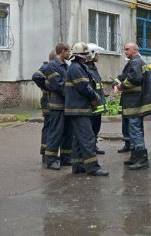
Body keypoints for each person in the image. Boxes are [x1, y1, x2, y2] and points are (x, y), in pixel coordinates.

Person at [65, 42, 109, 176]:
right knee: (88, 138)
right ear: (81, 56)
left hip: (78, 108)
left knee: (79, 138)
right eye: (86, 55)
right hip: (80, 109)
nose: (87, 57)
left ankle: (78, 165)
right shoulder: (77, 68)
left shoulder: (77, 66)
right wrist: (95, 97)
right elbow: (84, 87)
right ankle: (92, 167)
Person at [113, 42, 151, 170]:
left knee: (135, 131)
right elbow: (124, 75)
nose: (125, 51)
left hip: (135, 104)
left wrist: (120, 86)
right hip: (135, 103)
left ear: (134, 50)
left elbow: (134, 80)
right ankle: (135, 157)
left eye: (127, 49)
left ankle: (142, 159)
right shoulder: (135, 62)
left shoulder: (136, 62)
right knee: (135, 130)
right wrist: (116, 81)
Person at [42, 43, 73, 170]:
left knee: (67, 132)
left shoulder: (65, 65)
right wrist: (73, 92)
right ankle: (51, 159)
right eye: (68, 51)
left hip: (66, 104)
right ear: (62, 51)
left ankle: (66, 158)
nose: (70, 53)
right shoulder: (52, 66)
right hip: (56, 105)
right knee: (55, 132)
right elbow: (58, 85)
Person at [32, 49, 56, 161]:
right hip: (48, 102)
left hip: (50, 101)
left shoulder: (52, 67)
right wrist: (47, 87)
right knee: (49, 127)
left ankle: (46, 153)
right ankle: (45, 153)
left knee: (50, 127)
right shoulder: (47, 67)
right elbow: (36, 77)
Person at [85, 43, 108, 155]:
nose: (99, 56)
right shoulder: (87, 69)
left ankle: (93, 145)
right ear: (92, 54)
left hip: (97, 104)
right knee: (91, 127)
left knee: (96, 127)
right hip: (93, 104)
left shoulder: (93, 68)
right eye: (97, 54)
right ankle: (90, 147)